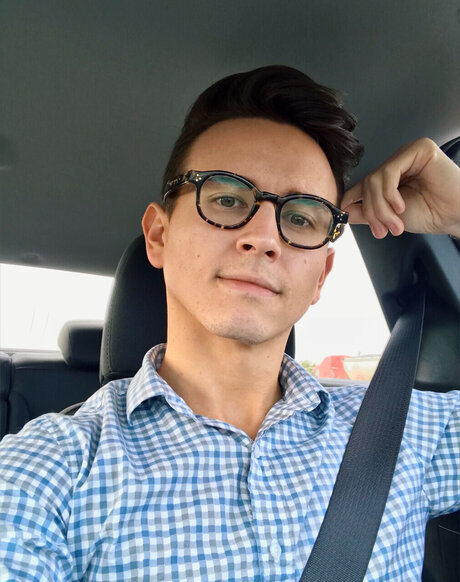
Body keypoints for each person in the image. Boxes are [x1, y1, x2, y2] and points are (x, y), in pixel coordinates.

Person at [0, 65, 458, 581]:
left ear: (322, 276)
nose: (263, 237)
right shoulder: (52, 468)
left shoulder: (405, 431)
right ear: (158, 236)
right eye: (226, 199)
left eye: (300, 217)